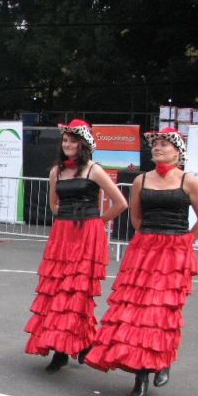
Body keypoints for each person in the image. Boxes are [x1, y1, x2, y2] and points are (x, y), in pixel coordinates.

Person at [85, 127, 198, 396]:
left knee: (162, 312)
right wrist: (150, 239)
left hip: (175, 252)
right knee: (137, 312)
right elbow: (136, 219)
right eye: (155, 144)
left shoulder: (189, 181)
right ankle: (140, 375)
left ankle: (162, 360)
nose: (158, 147)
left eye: (164, 144)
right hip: (144, 249)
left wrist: (184, 243)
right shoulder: (141, 180)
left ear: (177, 151)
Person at [24, 120, 128, 372]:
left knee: (77, 293)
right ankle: (64, 348)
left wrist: (96, 220)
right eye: (65, 140)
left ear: (83, 144)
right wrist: (68, 216)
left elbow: (120, 203)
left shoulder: (94, 170)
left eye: (72, 140)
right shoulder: (56, 171)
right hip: (63, 234)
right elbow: (53, 205)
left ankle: (73, 345)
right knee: (58, 290)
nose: (67, 144)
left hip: (87, 235)